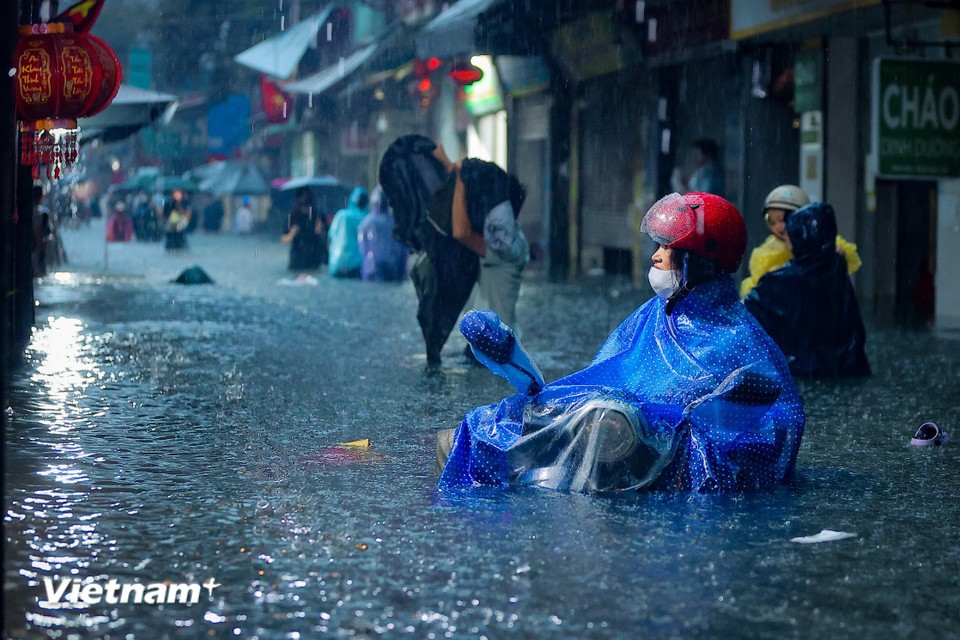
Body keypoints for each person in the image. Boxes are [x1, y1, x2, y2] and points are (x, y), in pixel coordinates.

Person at [438, 192, 805, 493]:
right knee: (527, 415)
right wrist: (537, 388)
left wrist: (711, 415)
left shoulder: (739, 337)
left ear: (700, 262)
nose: (656, 255)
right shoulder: (654, 313)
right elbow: (600, 379)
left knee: (606, 422)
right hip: (611, 426)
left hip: (654, 451)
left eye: (667, 247)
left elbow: (776, 423)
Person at [744, 202, 871, 378]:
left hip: (798, 373)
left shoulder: (778, 281)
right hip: (846, 368)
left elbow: (747, 313)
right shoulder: (836, 267)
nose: (781, 230)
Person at [441, 147, 529, 334]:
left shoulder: (508, 246)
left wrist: (459, 177)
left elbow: (461, 232)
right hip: (487, 343)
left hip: (498, 346)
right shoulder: (504, 235)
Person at [739, 185, 861, 298]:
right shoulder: (765, 253)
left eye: (784, 219)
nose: (779, 227)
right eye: (772, 221)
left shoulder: (823, 242)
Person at [358, 186, 408, 282]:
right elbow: (403, 250)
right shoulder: (395, 222)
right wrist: (403, 272)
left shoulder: (366, 223)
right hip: (392, 270)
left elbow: (362, 249)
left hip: (372, 270)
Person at [327, 187, 368, 278]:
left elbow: (330, 238)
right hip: (356, 267)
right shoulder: (366, 219)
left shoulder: (340, 215)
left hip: (336, 265)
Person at [281, 188, 325, 271]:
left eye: (307, 204)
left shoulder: (318, 216)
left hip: (314, 260)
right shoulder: (292, 217)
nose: (305, 208)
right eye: (301, 204)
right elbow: (284, 239)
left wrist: (320, 230)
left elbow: (326, 239)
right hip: (297, 260)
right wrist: (292, 233)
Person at [32, 185, 52, 277]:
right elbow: (40, 233)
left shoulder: (26, 212)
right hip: (38, 250)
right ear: (42, 196)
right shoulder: (43, 214)